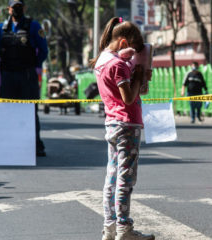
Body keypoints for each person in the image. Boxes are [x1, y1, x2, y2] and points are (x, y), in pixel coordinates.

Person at [90, 17, 154, 240]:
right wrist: (137, 74)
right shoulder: (118, 65)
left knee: (112, 177)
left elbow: (137, 92)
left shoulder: (102, 61)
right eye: (133, 50)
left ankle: (109, 227)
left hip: (112, 123)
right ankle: (124, 229)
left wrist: (140, 78)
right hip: (127, 124)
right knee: (126, 179)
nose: (134, 55)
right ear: (124, 42)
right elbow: (128, 98)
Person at [0, 0, 48, 157]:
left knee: (30, 111)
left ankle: (36, 144)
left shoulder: (34, 26)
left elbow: (43, 50)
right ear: (8, 9)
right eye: (14, 7)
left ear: (24, 8)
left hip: (27, 75)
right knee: (7, 111)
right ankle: (10, 142)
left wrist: (33, 65)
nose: (17, 10)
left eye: (19, 6)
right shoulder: (2, 27)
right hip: (8, 75)